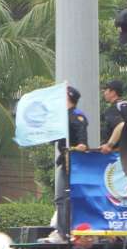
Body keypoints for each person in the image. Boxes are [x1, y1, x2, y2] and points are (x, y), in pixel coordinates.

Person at [43, 86, 88, 244]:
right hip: (64, 159)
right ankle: (62, 231)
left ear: (68, 98)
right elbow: (52, 138)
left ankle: (66, 232)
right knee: (60, 197)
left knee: (68, 197)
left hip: (74, 161)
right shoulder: (61, 117)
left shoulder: (77, 116)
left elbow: (82, 139)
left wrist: (81, 144)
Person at [99, 80, 127, 154]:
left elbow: (121, 125)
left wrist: (109, 145)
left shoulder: (113, 109)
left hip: (119, 157)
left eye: (106, 90)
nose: (104, 93)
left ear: (113, 92)